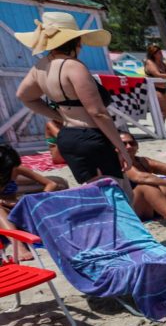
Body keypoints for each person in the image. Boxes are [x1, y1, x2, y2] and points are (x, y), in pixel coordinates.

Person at [14, 12, 133, 201]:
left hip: (68, 137)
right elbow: (98, 113)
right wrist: (122, 148)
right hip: (91, 138)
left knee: (96, 196)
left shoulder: (40, 67)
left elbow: (24, 96)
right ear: (75, 41)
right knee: (119, 195)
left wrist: (60, 116)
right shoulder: (73, 66)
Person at [0, 144, 68, 260]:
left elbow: (51, 184)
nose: (14, 171)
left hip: (13, 206)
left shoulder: (16, 168)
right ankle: (19, 247)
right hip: (4, 211)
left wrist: (33, 201)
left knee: (61, 184)